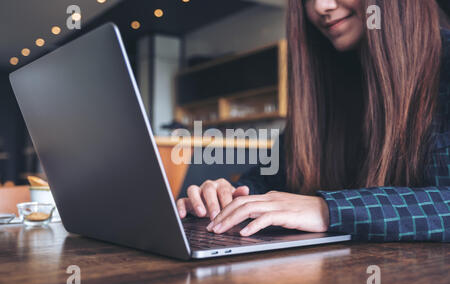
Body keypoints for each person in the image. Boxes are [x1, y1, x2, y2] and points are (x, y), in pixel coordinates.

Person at [176, 0, 450, 242]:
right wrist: (230, 197)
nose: (320, 6)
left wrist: (328, 210)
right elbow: (272, 176)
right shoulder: (325, 85)